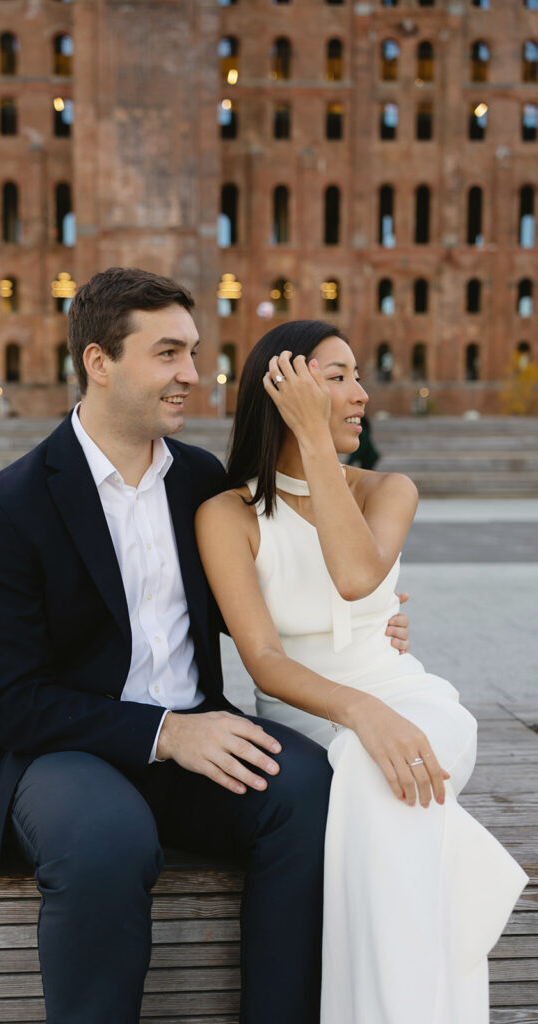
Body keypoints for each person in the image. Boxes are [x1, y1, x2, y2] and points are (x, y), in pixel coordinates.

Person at [0, 271, 411, 1024]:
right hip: (63, 754)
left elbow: (260, 606)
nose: (192, 375)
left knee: (306, 792)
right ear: (100, 362)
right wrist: (166, 733)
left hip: (198, 736)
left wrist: (370, 622)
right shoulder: (9, 505)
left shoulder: (200, 482)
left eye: (192, 353)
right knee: (107, 841)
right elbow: (10, 703)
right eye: (167, 354)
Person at [195, 320, 528, 1024]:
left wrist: (315, 441)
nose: (361, 393)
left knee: (379, 781)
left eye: (357, 376)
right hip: (311, 720)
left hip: (410, 701)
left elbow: (352, 576)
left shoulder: (387, 489)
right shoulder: (227, 514)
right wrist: (358, 712)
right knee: (379, 799)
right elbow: (263, 660)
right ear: (283, 389)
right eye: (339, 376)